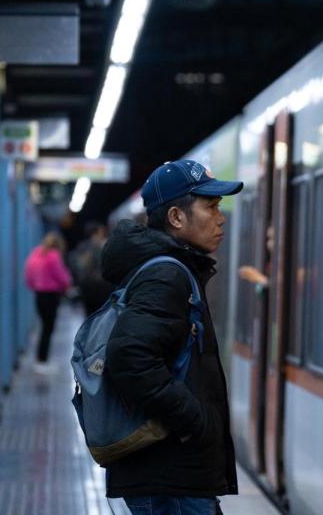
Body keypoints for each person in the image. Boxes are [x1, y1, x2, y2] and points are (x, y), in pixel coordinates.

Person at [101, 159, 243, 515]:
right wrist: (193, 419)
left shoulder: (169, 268)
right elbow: (129, 356)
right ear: (177, 217)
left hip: (172, 474)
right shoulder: (167, 275)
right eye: (211, 207)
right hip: (170, 477)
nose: (221, 218)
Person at [23, 231, 73, 373]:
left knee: (44, 327)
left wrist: (34, 286)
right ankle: (42, 361)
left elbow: (28, 274)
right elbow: (62, 276)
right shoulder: (53, 256)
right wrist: (68, 284)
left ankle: (40, 360)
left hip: (39, 295)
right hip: (51, 296)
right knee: (48, 328)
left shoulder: (35, 254)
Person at [71, 222, 111, 315]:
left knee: (89, 314)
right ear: (96, 233)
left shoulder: (81, 246)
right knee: (101, 314)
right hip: (100, 287)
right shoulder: (99, 246)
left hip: (86, 286)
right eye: (101, 231)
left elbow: (76, 266)